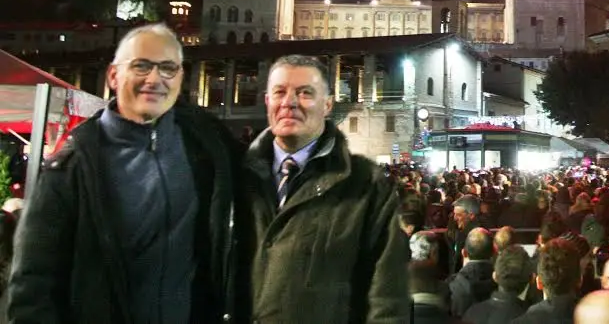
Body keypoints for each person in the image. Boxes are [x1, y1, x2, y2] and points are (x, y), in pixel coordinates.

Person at [4, 23, 241, 323]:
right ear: (114, 76)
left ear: (180, 78)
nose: (155, 79)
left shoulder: (207, 145)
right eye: (142, 66)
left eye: (168, 68)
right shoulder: (71, 168)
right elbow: (31, 286)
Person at [244, 54, 408, 323]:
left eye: (305, 93)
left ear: (328, 104)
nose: (289, 103)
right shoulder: (233, 178)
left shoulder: (366, 185)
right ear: (267, 101)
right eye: (279, 92)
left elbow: (388, 298)